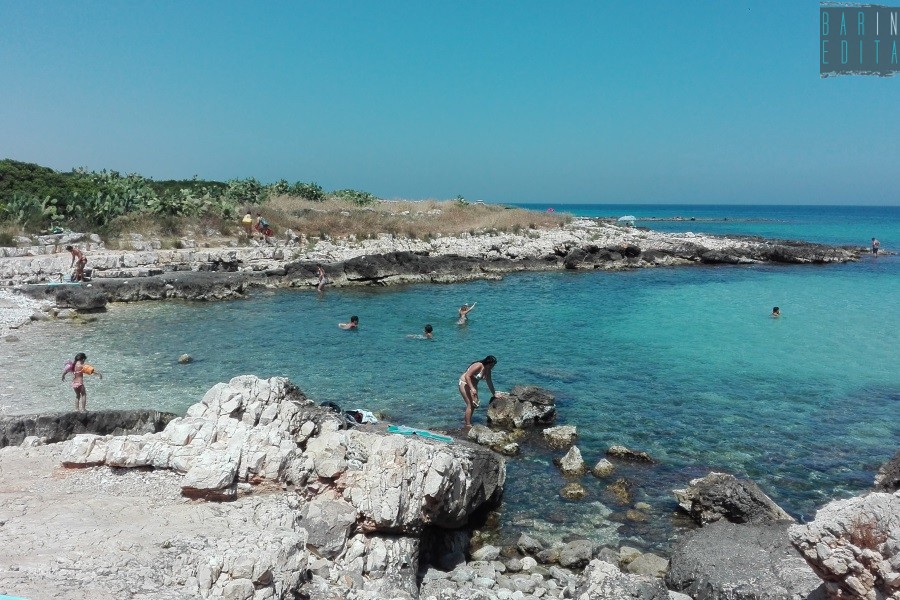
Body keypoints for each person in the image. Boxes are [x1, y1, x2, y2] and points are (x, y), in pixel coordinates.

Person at [458, 355, 497, 427]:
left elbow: (489, 382)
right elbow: (467, 376)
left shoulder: (488, 370)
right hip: (464, 383)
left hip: (473, 386)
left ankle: (467, 420)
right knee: (470, 404)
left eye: (493, 366)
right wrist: (472, 388)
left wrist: (494, 394)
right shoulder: (478, 365)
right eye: (491, 365)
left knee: (474, 405)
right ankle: (468, 425)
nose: (492, 367)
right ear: (487, 363)